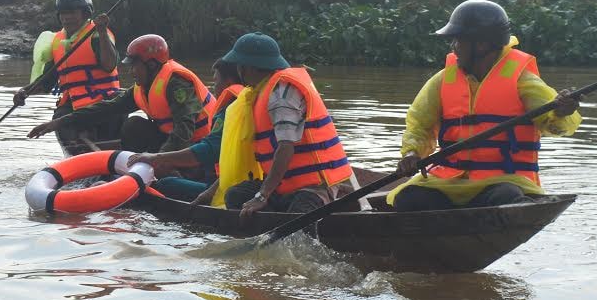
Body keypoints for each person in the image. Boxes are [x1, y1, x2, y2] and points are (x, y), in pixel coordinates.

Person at [388, 0, 582, 212]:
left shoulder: (523, 81)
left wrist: (561, 112)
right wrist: (412, 154)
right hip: (449, 181)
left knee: (507, 199)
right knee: (407, 199)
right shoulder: (442, 80)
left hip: (503, 182)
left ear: (480, 44)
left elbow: (558, 124)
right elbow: (419, 124)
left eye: (458, 40)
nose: (453, 47)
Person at [219, 32, 358, 218]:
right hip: (284, 186)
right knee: (236, 195)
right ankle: (264, 231)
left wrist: (262, 195)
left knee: (299, 223)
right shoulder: (261, 92)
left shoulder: (281, 93)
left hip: (313, 187)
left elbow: (286, 147)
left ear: (247, 68)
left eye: (239, 66)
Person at [28, 34, 217, 155]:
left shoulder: (176, 83)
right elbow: (106, 108)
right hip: (174, 143)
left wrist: (160, 159)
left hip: (202, 145)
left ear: (151, 65)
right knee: (133, 125)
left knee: (139, 130)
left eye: (135, 66)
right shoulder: (142, 87)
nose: (131, 72)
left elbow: (185, 128)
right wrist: (58, 122)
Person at [14, 0, 123, 153]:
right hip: (74, 105)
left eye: (72, 12)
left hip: (105, 102)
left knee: (114, 111)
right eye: (63, 13)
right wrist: (24, 92)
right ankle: (79, 159)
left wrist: (101, 32)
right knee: (60, 117)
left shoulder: (98, 35)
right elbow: (47, 82)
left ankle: (109, 158)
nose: (66, 18)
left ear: (86, 13)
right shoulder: (57, 41)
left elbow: (109, 66)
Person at [127, 58, 244, 202]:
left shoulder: (229, 111)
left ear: (228, 83)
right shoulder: (247, 102)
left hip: (226, 185)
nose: (214, 87)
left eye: (216, 82)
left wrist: (156, 158)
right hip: (232, 179)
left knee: (165, 184)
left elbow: (208, 150)